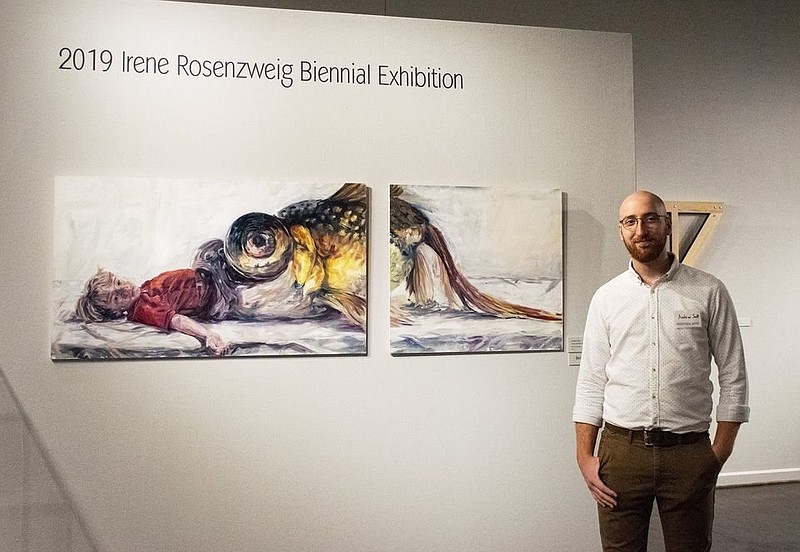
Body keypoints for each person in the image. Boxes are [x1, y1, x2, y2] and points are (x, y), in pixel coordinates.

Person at [573, 190, 749, 551]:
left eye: (651, 218)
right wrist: (584, 458)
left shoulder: (708, 291)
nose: (641, 229)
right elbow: (591, 381)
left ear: (667, 224)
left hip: (689, 452)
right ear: (621, 230)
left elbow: (734, 375)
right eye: (630, 221)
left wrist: (718, 453)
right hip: (620, 452)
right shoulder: (606, 298)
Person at [75, 268, 230, 356]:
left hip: (210, 274)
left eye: (118, 282)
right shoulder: (143, 309)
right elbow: (177, 321)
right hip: (216, 294)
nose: (124, 289)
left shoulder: (143, 290)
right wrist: (207, 335)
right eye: (116, 298)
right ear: (116, 313)